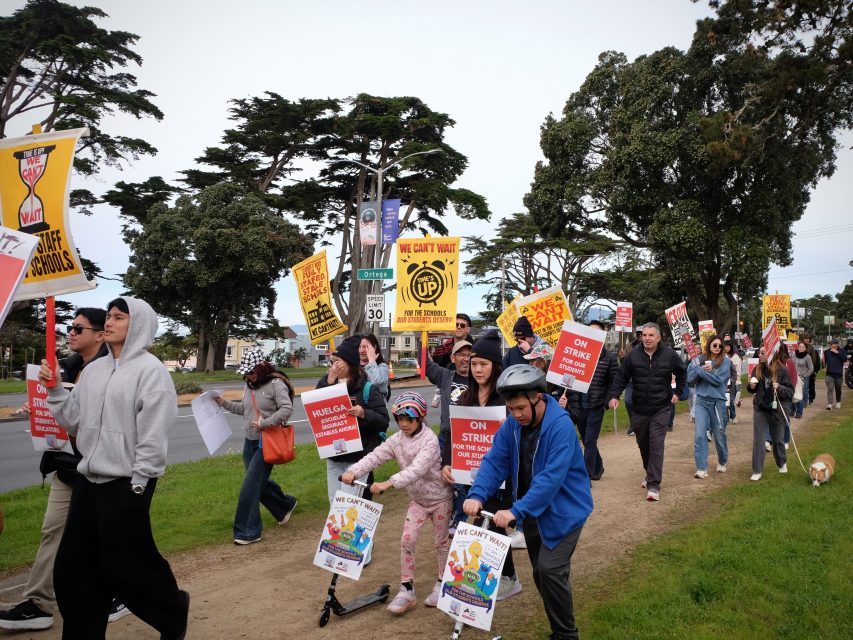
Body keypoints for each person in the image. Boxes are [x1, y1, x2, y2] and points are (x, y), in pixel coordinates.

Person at [40, 297, 189, 639]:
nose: (108, 322)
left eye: (118, 318)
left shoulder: (152, 372)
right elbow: (73, 421)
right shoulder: (93, 370)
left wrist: (138, 484)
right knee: (74, 571)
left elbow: (153, 435)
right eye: (108, 317)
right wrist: (54, 391)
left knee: (128, 568)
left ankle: (172, 612)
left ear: (137, 324)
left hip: (127, 484)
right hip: (87, 482)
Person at [0, 309, 130, 630]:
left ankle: (120, 592)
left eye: (78, 328)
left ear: (100, 335)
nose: (70, 333)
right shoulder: (66, 367)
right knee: (52, 531)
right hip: (65, 466)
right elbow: (65, 415)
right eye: (69, 327)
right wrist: (42, 402)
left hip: (99, 470)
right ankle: (39, 604)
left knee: (104, 536)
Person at [463, 365, 593, 640]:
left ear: (539, 398)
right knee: (540, 573)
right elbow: (495, 460)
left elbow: (549, 480)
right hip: (532, 511)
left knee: (550, 570)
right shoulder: (513, 424)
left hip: (565, 511)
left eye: (521, 407)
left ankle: (566, 635)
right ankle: (559, 625)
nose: (516, 414)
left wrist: (515, 510)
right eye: (511, 409)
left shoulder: (561, 427)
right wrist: (476, 493)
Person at [342, 392, 453, 614]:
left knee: (441, 543)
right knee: (407, 540)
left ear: (420, 418)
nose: (403, 424)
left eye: (408, 420)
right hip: (418, 501)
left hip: (440, 499)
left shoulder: (430, 440)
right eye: (400, 420)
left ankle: (442, 584)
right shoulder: (397, 440)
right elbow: (376, 456)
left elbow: (417, 469)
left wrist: (388, 483)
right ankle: (407, 589)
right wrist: (353, 471)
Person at [441, 329, 521, 600]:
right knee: (480, 524)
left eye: (483, 364)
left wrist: (508, 426)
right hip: (472, 475)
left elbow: (523, 433)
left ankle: (509, 578)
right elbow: (454, 435)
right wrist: (448, 463)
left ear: (495, 366)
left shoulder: (506, 400)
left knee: (495, 524)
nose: (476, 369)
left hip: (502, 477)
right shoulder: (465, 399)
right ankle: (498, 576)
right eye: (473, 364)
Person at [215, 347, 298, 545]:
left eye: (250, 372)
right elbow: (244, 410)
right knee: (256, 482)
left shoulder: (276, 384)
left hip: (267, 442)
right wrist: (222, 403)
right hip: (249, 441)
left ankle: (248, 532)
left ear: (262, 368)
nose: (248, 376)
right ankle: (284, 505)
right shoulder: (249, 386)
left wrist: (265, 423)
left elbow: (287, 409)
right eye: (245, 373)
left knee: (250, 487)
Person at [609, 323, 687, 501]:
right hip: (639, 409)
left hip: (661, 407)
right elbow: (621, 377)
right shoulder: (633, 356)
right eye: (644, 335)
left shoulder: (669, 355)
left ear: (658, 338)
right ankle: (649, 473)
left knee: (656, 444)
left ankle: (654, 485)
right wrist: (614, 395)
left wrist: (678, 393)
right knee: (644, 445)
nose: (647, 338)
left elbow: (682, 372)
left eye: (651, 335)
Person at [317, 335, 390, 502]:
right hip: (335, 456)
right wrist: (330, 380)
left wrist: (364, 413)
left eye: (338, 361)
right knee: (334, 503)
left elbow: (383, 420)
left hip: (358, 459)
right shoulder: (329, 381)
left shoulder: (367, 388)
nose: (334, 365)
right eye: (332, 361)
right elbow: (318, 403)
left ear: (350, 362)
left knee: (348, 504)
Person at [426, 339, 472, 535]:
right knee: (441, 478)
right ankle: (449, 511)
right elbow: (427, 365)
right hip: (446, 438)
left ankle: (459, 519)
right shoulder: (446, 376)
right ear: (453, 358)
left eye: (469, 354)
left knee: (461, 482)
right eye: (461, 354)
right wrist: (423, 337)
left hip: (467, 439)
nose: (466, 358)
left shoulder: (479, 379)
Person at [571, 320, 618, 481]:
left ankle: (584, 474)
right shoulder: (578, 354)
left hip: (597, 405)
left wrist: (608, 400)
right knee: (586, 439)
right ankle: (598, 467)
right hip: (580, 404)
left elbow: (614, 382)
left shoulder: (609, 358)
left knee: (590, 440)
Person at [686, 335, 730, 478]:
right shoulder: (699, 360)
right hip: (701, 402)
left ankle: (723, 460)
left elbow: (718, 381)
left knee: (719, 435)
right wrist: (698, 369)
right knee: (700, 434)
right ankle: (701, 468)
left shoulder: (726, 361)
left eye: (720, 345)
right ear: (709, 345)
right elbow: (690, 378)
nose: (717, 348)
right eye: (714, 345)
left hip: (718, 403)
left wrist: (700, 371)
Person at [748, 345, 794, 480]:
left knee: (778, 439)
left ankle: (781, 462)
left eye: (763, 352)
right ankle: (757, 470)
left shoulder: (782, 370)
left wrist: (779, 387)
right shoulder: (757, 369)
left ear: (770, 354)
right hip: (760, 408)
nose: (760, 355)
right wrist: (751, 386)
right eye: (759, 352)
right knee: (759, 439)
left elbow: (790, 393)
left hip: (777, 410)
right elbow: (752, 389)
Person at [358, 333, 390, 399]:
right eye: (359, 347)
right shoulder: (354, 366)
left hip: (375, 407)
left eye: (365, 347)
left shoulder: (382, 366)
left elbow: (377, 382)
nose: (361, 350)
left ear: (374, 347)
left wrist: (372, 361)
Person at [793, 340, 814, 419]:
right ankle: (792, 410)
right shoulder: (794, 354)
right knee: (793, 394)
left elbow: (811, 369)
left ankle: (799, 412)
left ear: (805, 348)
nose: (801, 348)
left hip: (802, 378)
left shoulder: (807, 357)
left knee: (800, 395)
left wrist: (804, 376)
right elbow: (791, 364)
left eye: (803, 347)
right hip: (794, 377)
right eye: (800, 346)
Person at [823, 338, 845, 409]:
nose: (830, 345)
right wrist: (823, 367)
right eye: (830, 344)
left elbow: (844, 359)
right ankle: (830, 403)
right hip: (829, 373)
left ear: (836, 344)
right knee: (830, 388)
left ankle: (838, 402)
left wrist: (837, 353)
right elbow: (824, 360)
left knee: (838, 388)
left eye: (831, 344)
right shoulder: (826, 352)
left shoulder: (841, 351)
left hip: (838, 373)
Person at [724, 340, 742, 423]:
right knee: (724, 400)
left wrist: (735, 380)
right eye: (725, 346)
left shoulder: (735, 357)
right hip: (723, 382)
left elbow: (737, 371)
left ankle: (733, 415)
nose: (726, 348)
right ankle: (726, 417)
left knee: (731, 400)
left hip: (732, 382)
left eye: (728, 346)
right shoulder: (723, 356)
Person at [802, 334, 820, 404]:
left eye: (808, 338)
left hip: (809, 369)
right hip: (800, 369)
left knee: (810, 385)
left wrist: (813, 370)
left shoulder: (811, 348)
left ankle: (810, 399)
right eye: (805, 338)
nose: (807, 340)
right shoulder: (798, 346)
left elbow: (814, 360)